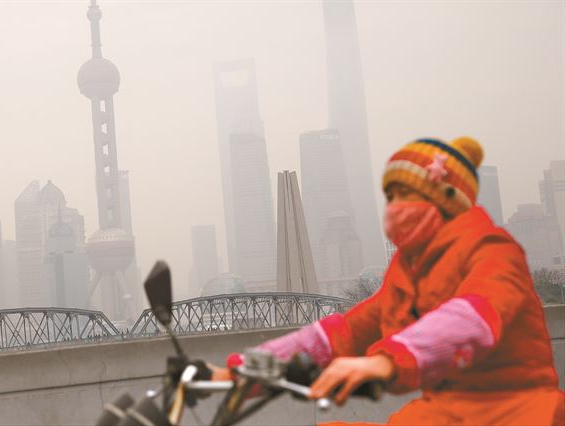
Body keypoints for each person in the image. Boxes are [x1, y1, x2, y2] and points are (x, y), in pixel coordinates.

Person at [213, 137, 564, 425]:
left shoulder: (492, 251)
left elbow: (472, 319)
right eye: (392, 197)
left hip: (519, 409)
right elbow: (344, 333)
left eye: (408, 195)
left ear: (446, 200)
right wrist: (249, 370)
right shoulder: (408, 272)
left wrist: (388, 360)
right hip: (446, 412)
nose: (396, 207)